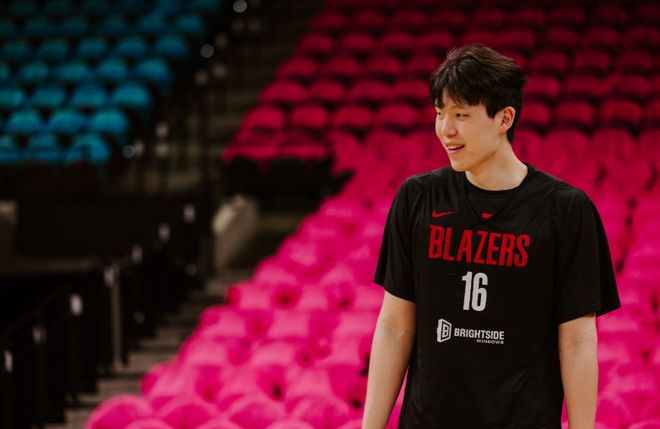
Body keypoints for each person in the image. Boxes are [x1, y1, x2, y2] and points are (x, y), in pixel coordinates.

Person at [362, 44, 621, 429]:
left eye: (461, 115)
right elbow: (394, 325)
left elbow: (577, 339)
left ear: (504, 118)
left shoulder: (566, 211)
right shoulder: (417, 198)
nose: (446, 129)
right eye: (440, 113)